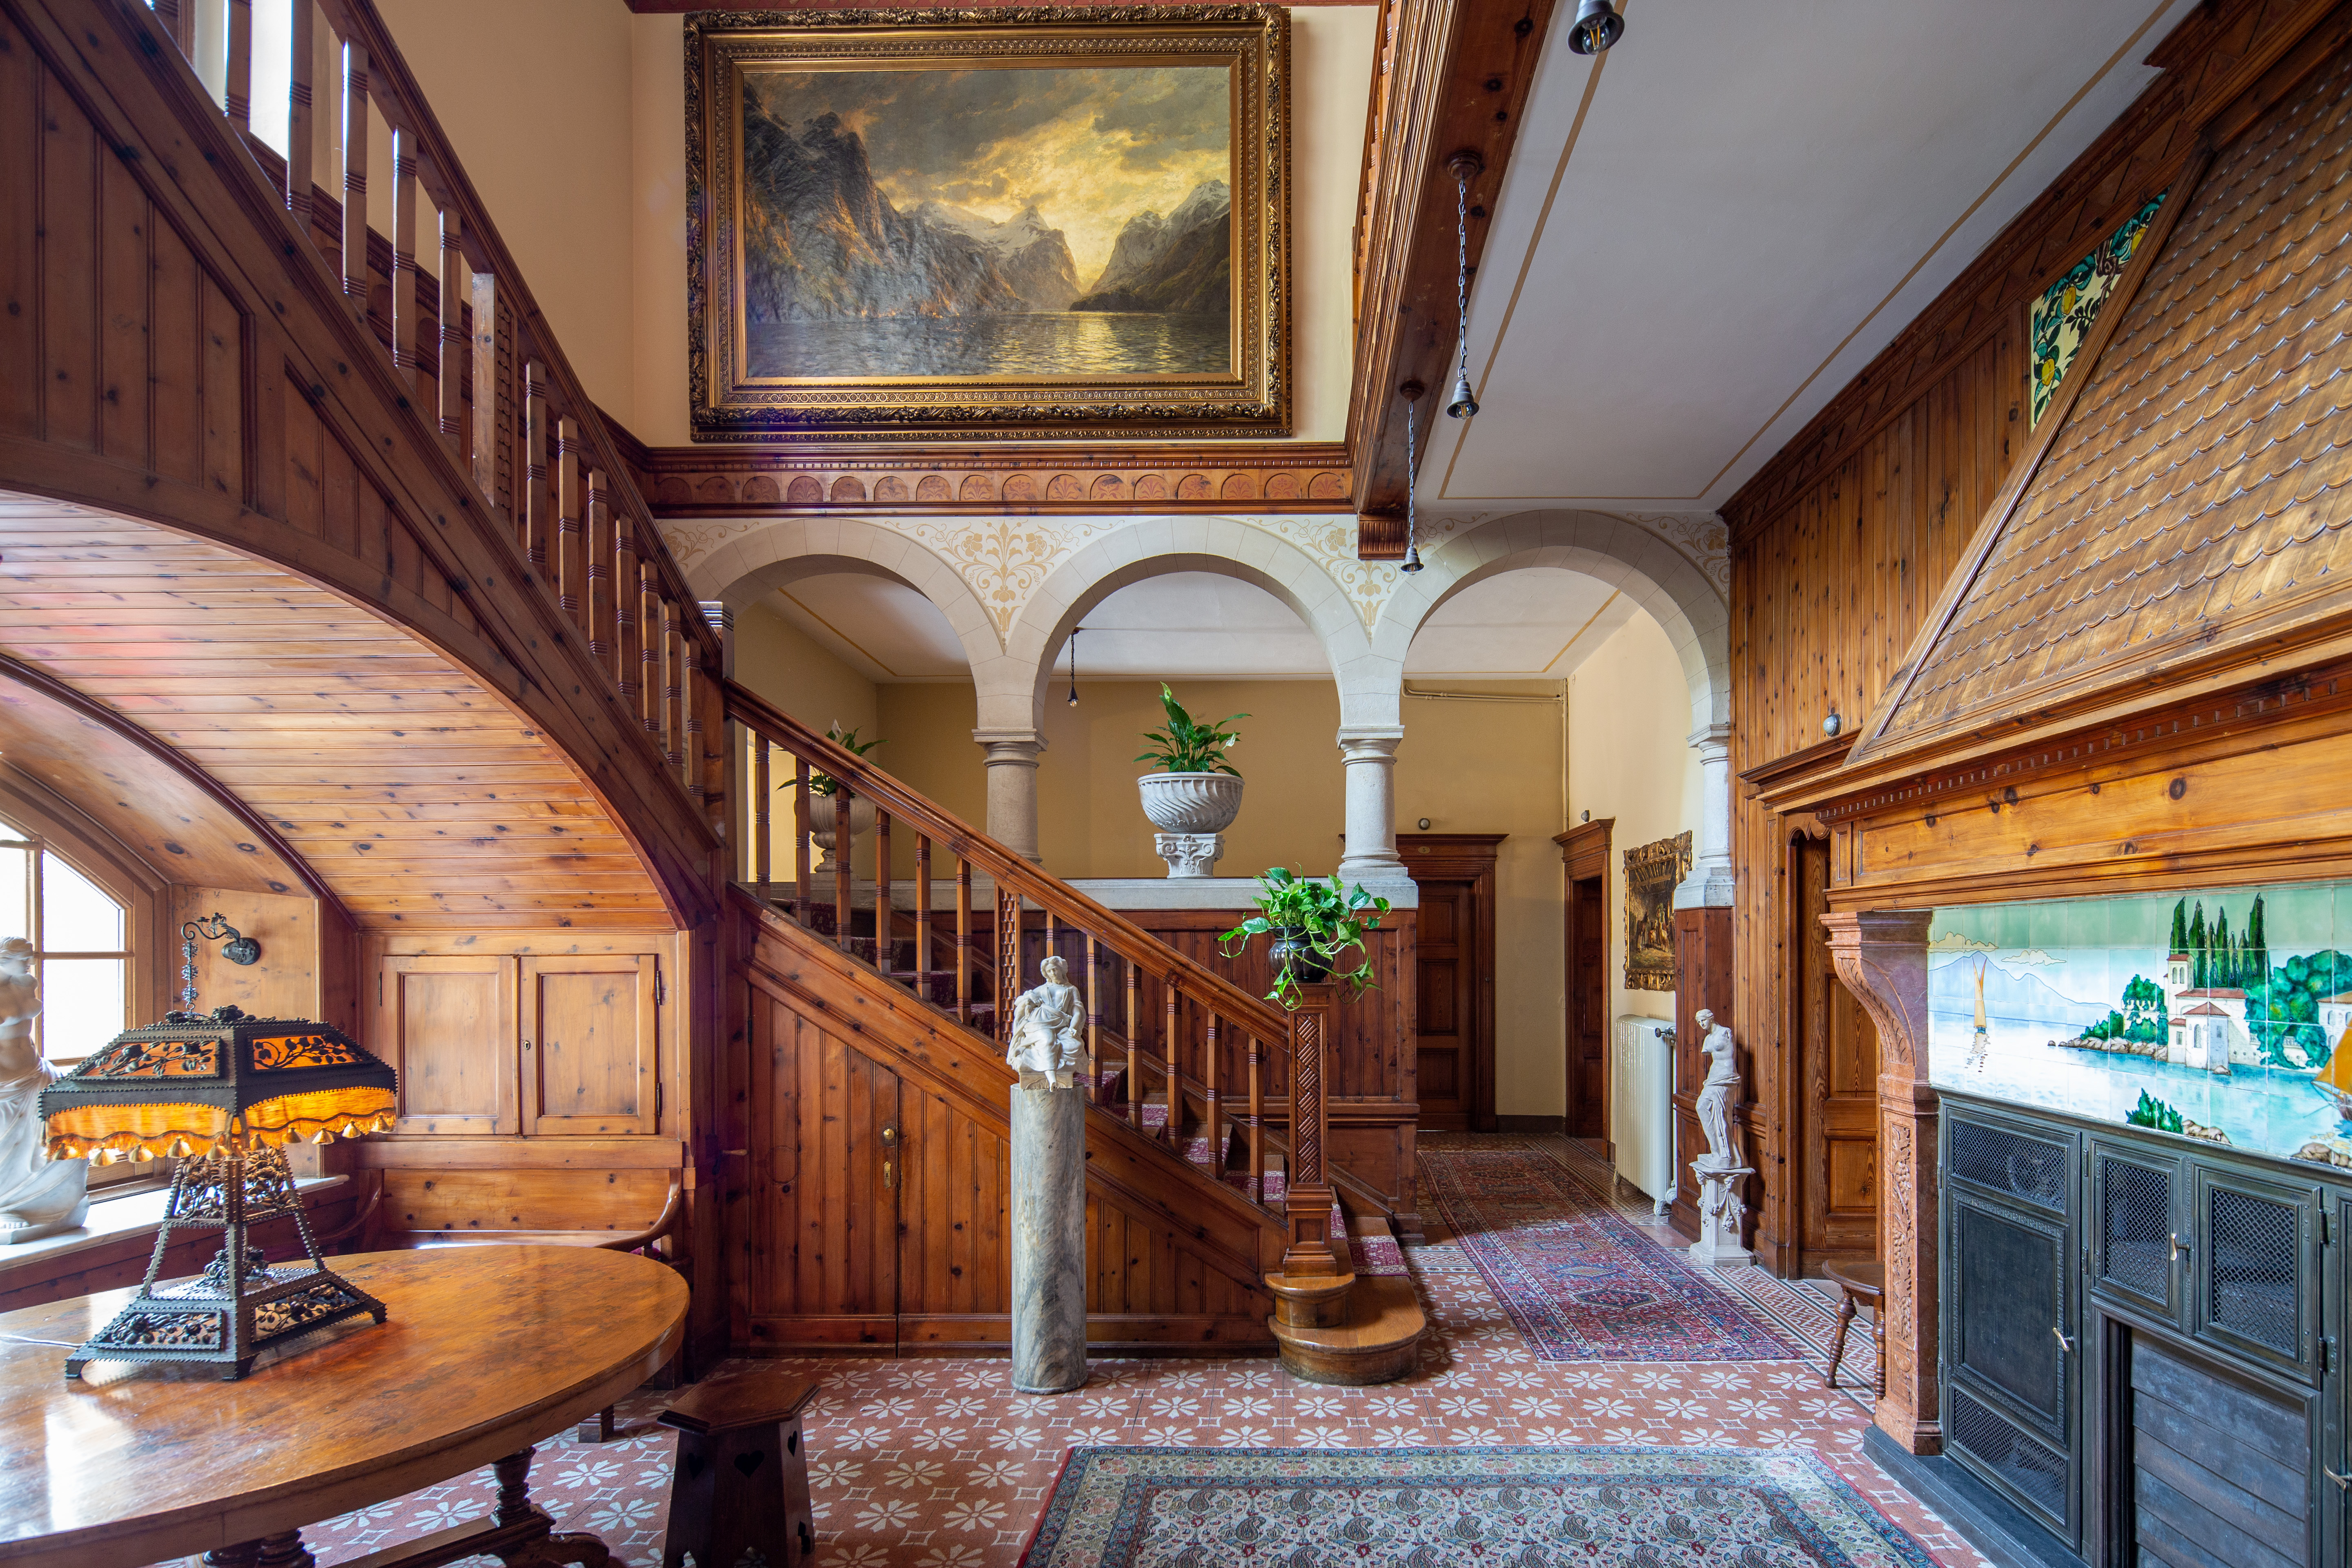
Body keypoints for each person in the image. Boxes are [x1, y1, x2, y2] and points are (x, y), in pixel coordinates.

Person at [0, 937, 89, 1241]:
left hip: (37, 1072)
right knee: (7, 1149)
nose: (30, 962)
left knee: (63, 1132)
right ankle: (5, 1208)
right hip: (5, 1083)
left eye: (30, 955)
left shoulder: (25, 982)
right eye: (23, 957)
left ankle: (45, 1204)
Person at [1005, 953, 1086, 1089]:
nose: (1053, 973)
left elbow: (1077, 1011)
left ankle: (1032, 1056)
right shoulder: (1043, 989)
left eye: (1055, 969)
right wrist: (1030, 996)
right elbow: (1019, 1002)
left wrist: (1073, 1027)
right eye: (1049, 971)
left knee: (1075, 1046)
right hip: (1039, 1024)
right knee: (1048, 1040)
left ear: (1062, 970)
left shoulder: (1071, 990)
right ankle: (1052, 1078)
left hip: (1060, 1026)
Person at [1692, 1007, 1740, 1170]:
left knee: (1720, 1115)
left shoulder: (1726, 1033)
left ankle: (1726, 1155)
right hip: (1713, 1079)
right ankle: (1716, 1151)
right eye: (1699, 1022)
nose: (1701, 1024)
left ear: (1711, 1018)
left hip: (1726, 1077)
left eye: (1703, 1020)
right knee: (1702, 1107)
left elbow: (1729, 1056)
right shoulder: (1708, 1041)